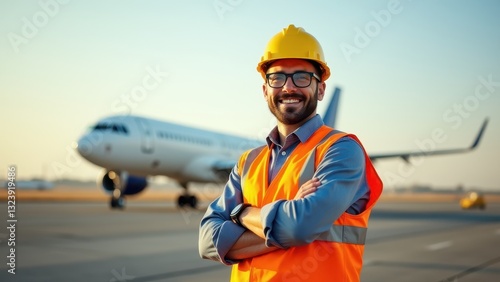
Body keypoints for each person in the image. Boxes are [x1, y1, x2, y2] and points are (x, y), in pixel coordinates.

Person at [199, 24, 383, 282]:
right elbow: (207, 241)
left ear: (320, 89)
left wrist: (240, 214)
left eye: (302, 77)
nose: (288, 87)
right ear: (265, 90)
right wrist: (285, 221)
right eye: (277, 78)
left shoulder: (341, 150)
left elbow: (299, 227)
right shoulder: (249, 161)